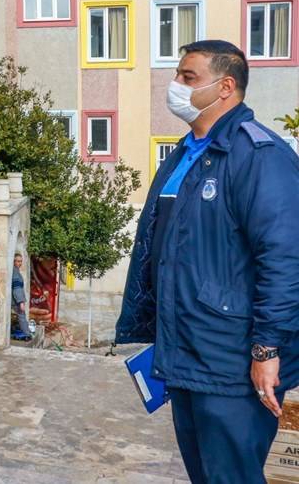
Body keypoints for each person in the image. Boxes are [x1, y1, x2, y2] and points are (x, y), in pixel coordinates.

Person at [115, 40, 299, 484]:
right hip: (186, 357)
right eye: (178, 75)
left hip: (231, 363)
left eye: (188, 77)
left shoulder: (261, 157)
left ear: (226, 87)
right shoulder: (184, 153)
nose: (175, 85)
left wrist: (267, 348)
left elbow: (285, 259)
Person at [11, 253, 32, 341]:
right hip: (16, 300)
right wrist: (21, 302)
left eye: (21, 261)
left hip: (13, 299)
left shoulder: (14, 271)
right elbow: (17, 288)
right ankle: (27, 335)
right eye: (18, 261)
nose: (20, 263)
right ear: (13, 261)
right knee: (22, 316)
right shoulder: (15, 273)